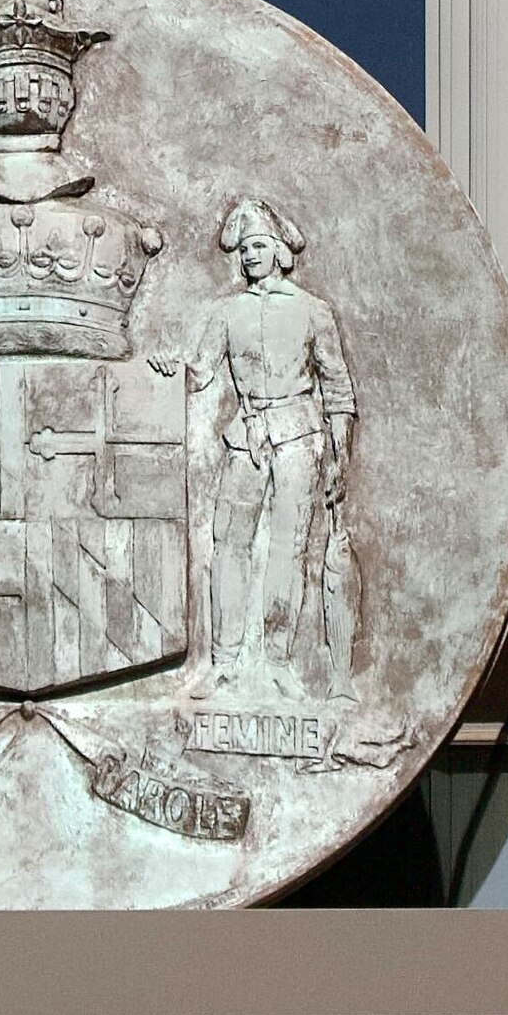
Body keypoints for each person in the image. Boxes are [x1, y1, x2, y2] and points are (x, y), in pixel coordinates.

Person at [185, 197, 359, 698]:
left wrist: (340, 456)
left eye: (259, 246)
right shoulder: (227, 311)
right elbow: (201, 373)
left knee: (290, 549)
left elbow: (338, 388)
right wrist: (170, 367)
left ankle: (280, 663)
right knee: (228, 546)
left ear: (281, 252)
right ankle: (224, 662)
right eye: (243, 249)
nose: (249, 256)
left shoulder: (312, 312)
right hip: (246, 436)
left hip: (300, 437)